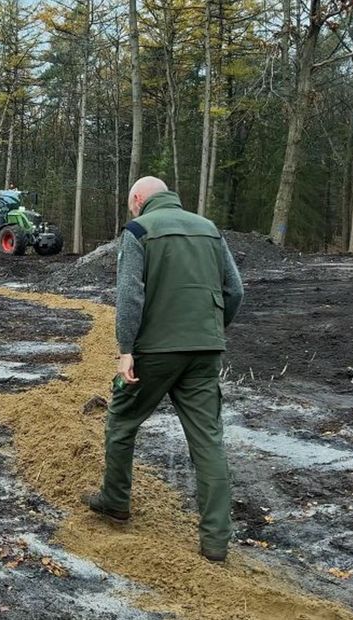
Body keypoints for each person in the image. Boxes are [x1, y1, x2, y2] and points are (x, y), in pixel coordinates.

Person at [83, 176, 244, 562]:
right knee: (208, 441)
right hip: (206, 351)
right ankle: (216, 541)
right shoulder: (210, 229)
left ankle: (115, 501)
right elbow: (235, 290)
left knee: (122, 421)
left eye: (130, 204)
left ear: (138, 199)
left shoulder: (139, 230)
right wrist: (212, 329)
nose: (131, 210)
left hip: (155, 351)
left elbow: (130, 295)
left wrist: (126, 350)